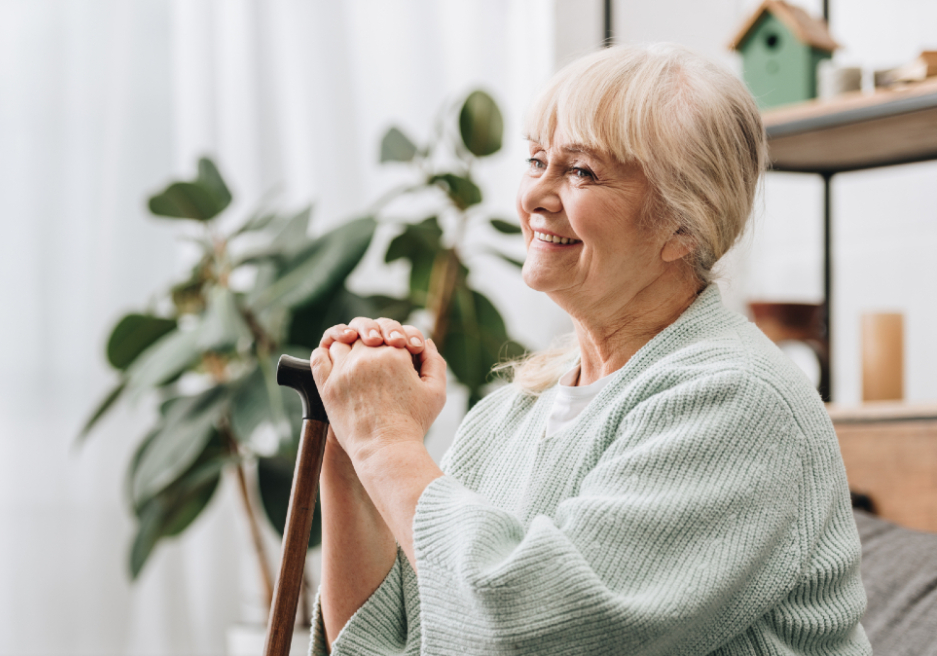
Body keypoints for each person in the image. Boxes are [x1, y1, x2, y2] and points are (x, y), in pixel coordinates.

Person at [306, 44, 872, 655]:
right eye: (536, 160)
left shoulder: (738, 404)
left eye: (581, 172)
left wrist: (387, 443)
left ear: (684, 225)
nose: (535, 197)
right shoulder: (506, 419)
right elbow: (379, 647)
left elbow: (532, 632)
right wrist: (350, 447)